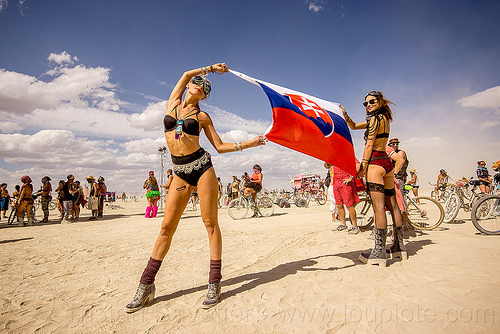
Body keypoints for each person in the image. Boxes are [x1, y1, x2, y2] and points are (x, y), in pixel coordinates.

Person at [125, 63, 265, 313]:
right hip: (180, 172)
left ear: (205, 97)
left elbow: (220, 146)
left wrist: (251, 143)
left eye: (205, 88)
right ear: (190, 85)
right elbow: (185, 74)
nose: (201, 87)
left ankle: (215, 282)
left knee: (210, 224)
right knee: (166, 227)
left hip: (202, 168)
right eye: (198, 83)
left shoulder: (202, 117)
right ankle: (146, 285)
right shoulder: (172, 104)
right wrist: (210, 69)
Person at [341, 90, 406, 267]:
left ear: (381, 102)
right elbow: (353, 126)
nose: (368, 105)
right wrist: (346, 116)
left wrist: (363, 164)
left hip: (376, 162)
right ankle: (399, 248)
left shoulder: (373, 119)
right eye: (366, 103)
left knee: (378, 207)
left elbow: (370, 143)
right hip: (386, 163)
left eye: (372, 102)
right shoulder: (384, 119)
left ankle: (379, 252)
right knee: (393, 206)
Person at [331, 161, 361, 234]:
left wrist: (351, 178)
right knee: (339, 204)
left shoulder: (347, 153)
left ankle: (355, 226)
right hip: (336, 182)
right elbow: (327, 166)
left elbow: (357, 164)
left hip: (345, 181)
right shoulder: (334, 157)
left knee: (349, 205)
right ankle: (343, 224)